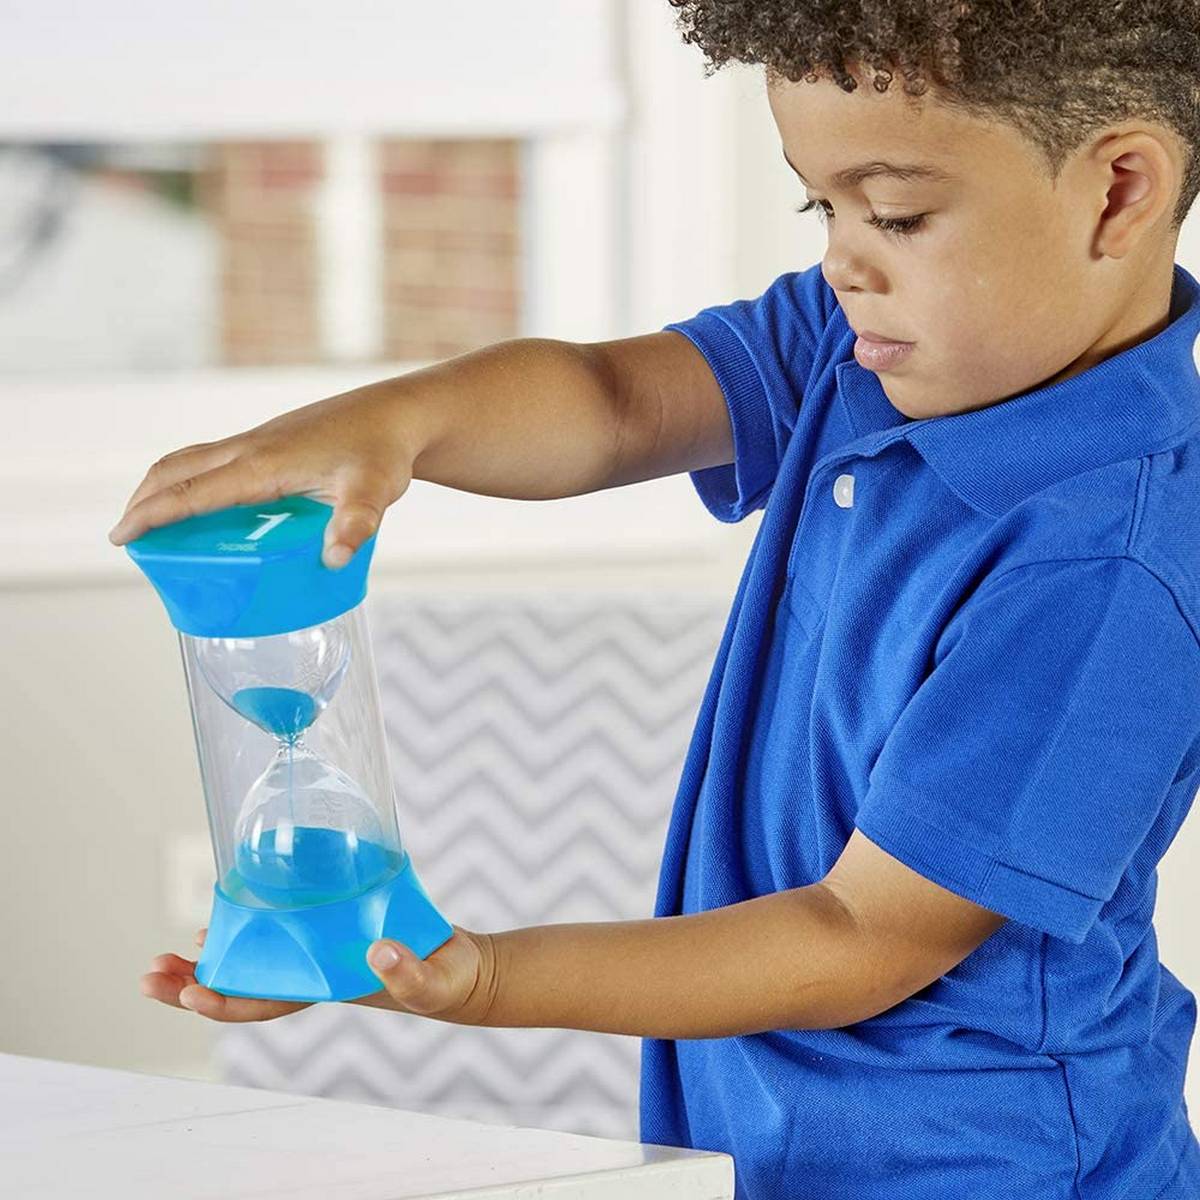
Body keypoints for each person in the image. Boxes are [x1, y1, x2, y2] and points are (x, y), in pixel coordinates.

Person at [117, 3, 1200, 1195]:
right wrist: (395, 422)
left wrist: (484, 977)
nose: (844, 260)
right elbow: (614, 402)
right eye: (822, 208)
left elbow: (861, 937)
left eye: (895, 214)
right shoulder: (866, 342)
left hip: (984, 1170)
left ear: (1117, 193)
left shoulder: (1103, 576)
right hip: (762, 1140)